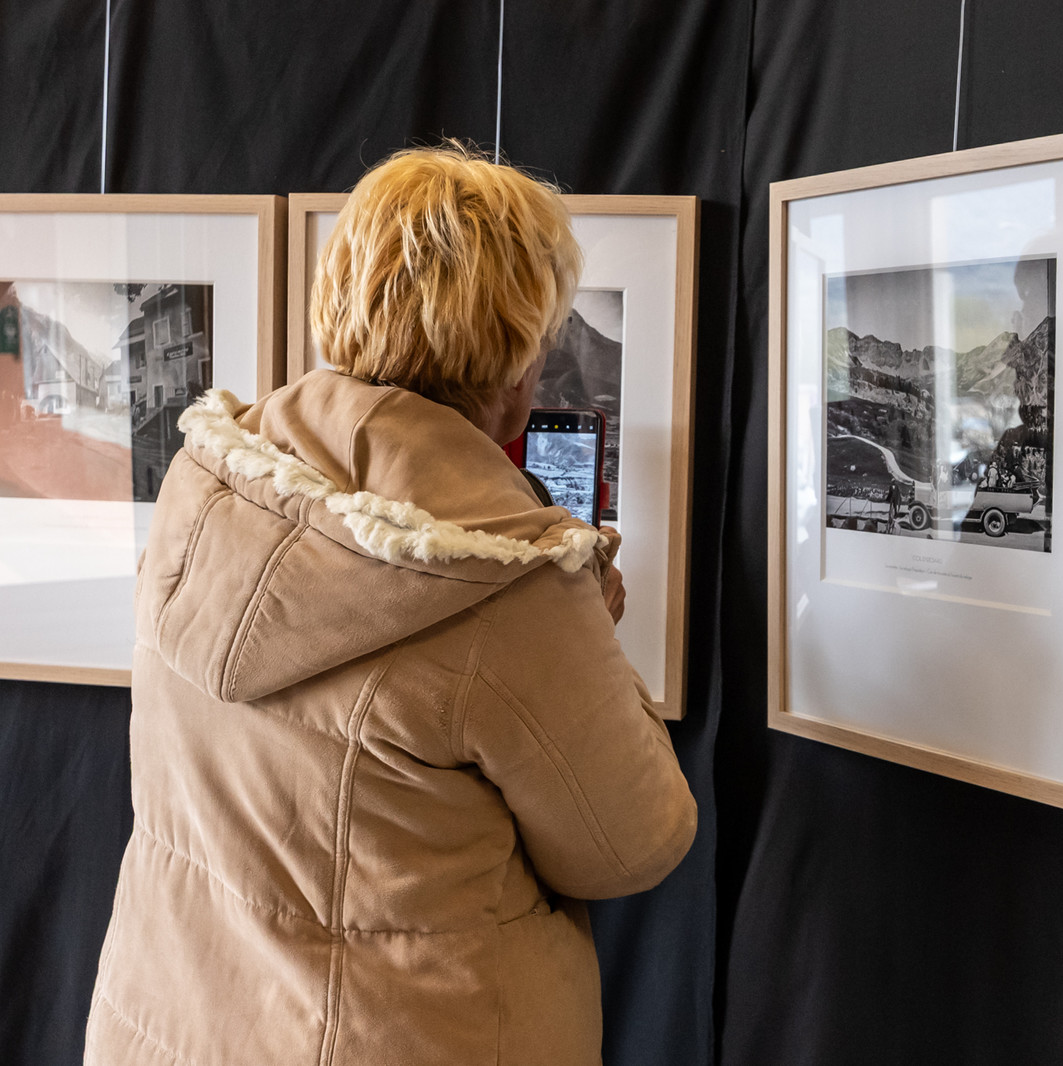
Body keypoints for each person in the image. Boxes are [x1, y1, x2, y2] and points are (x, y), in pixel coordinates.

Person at [84, 143, 697, 1066]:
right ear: (519, 358)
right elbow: (633, 846)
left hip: (173, 1024)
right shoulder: (516, 585)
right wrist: (596, 646)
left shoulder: (204, 480)